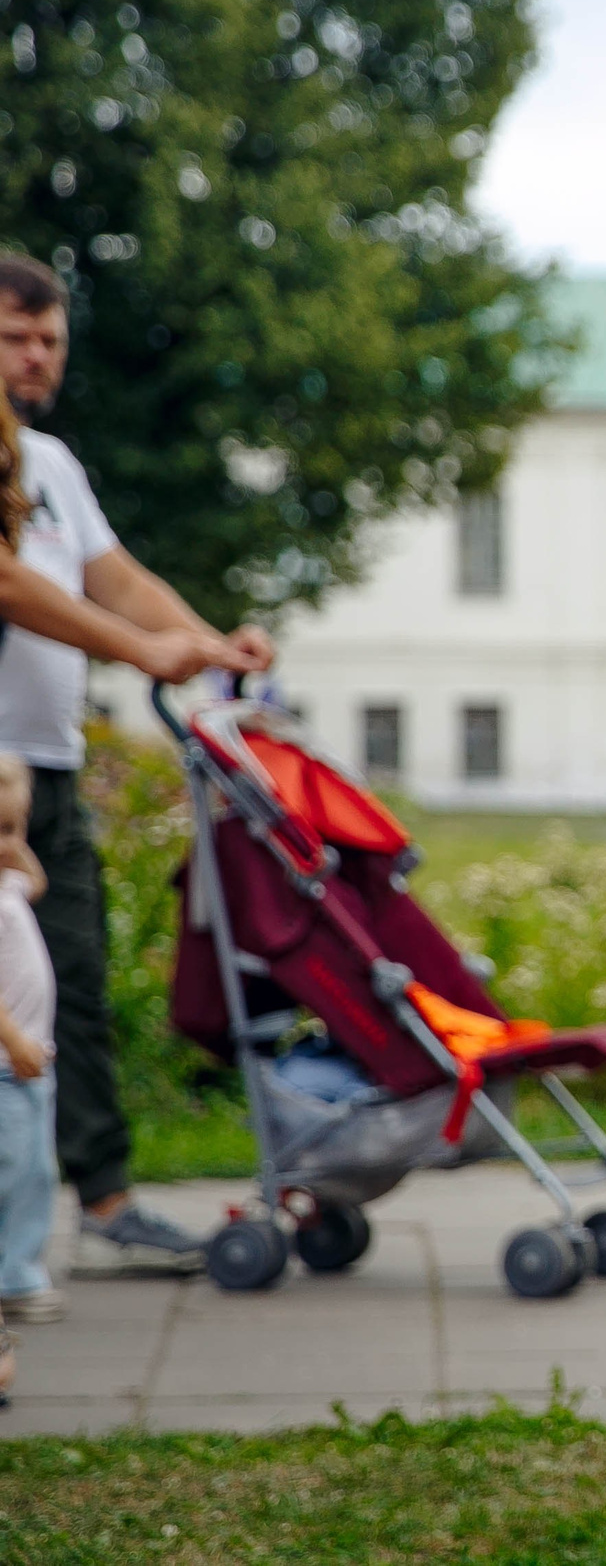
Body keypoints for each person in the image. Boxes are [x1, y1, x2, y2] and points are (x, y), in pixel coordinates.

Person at [0, 253, 268, 1276]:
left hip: (45, 773)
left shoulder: (52, 466)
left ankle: (104, 1197)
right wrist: (140, 652)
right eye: (16, 338)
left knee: (70, 981)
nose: (37, 357)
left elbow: (115, 580)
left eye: (51, 340)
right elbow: (11, 584)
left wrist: (208, 646)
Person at [0, 754, 62, 1328]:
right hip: (8, 1062)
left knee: (36, 1170)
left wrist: (17, 846)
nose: (7, 845)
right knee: (18, 1172)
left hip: (29, 1063)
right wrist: (14, 1039)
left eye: (14, 827)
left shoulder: (9, 885)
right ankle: (14, 1277)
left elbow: (36, 884)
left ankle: (18, 1269)